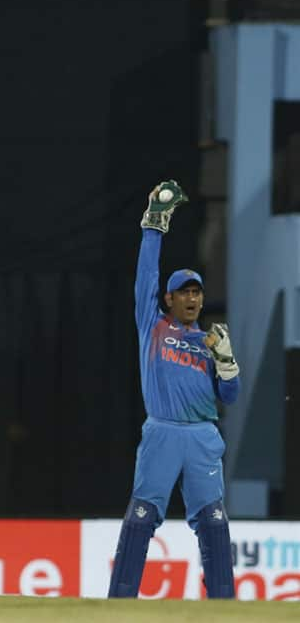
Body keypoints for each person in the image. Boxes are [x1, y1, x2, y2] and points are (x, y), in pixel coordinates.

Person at [108, 180, 241, 599]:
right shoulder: (153, 325)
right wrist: (154, 226)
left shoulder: (211, 341)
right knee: (143, 517)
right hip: (163, 432)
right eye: (184, 292)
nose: (192, 299)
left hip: (202, 436)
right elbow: (145, 275)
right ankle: (119, 602)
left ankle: (225, 604)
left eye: (197, 293)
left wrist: (227, 363)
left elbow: (231, 398)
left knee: (215, 522)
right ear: (167, 298)